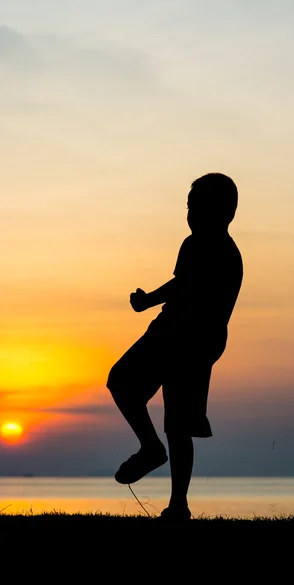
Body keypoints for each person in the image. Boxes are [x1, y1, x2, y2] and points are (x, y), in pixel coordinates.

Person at [106, 172, 243, 522]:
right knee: (170, 418)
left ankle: (161, 467)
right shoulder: (199, 245)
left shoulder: (215, 250)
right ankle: (174, 495)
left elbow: (185, 287)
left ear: (226, 212)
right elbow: (182, 283)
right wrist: (151, 301)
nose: (192, 213)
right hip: (189, 336)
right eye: (190, 206)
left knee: (144, 397)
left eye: (199, 206)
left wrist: (149, 300)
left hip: (186, 335)